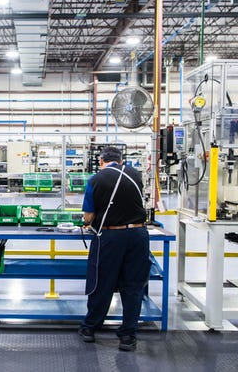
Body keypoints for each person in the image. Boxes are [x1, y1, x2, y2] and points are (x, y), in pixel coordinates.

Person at [78, 146, 150, 352]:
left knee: (102, 282)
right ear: (120, 160)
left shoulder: (96, 179)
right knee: (133, 286)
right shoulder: (134, 174)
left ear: (101, 161)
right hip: (138, 235)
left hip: (110, 237)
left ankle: (90, 328)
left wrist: (89, 220)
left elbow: (88, 217)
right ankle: (128, 336)